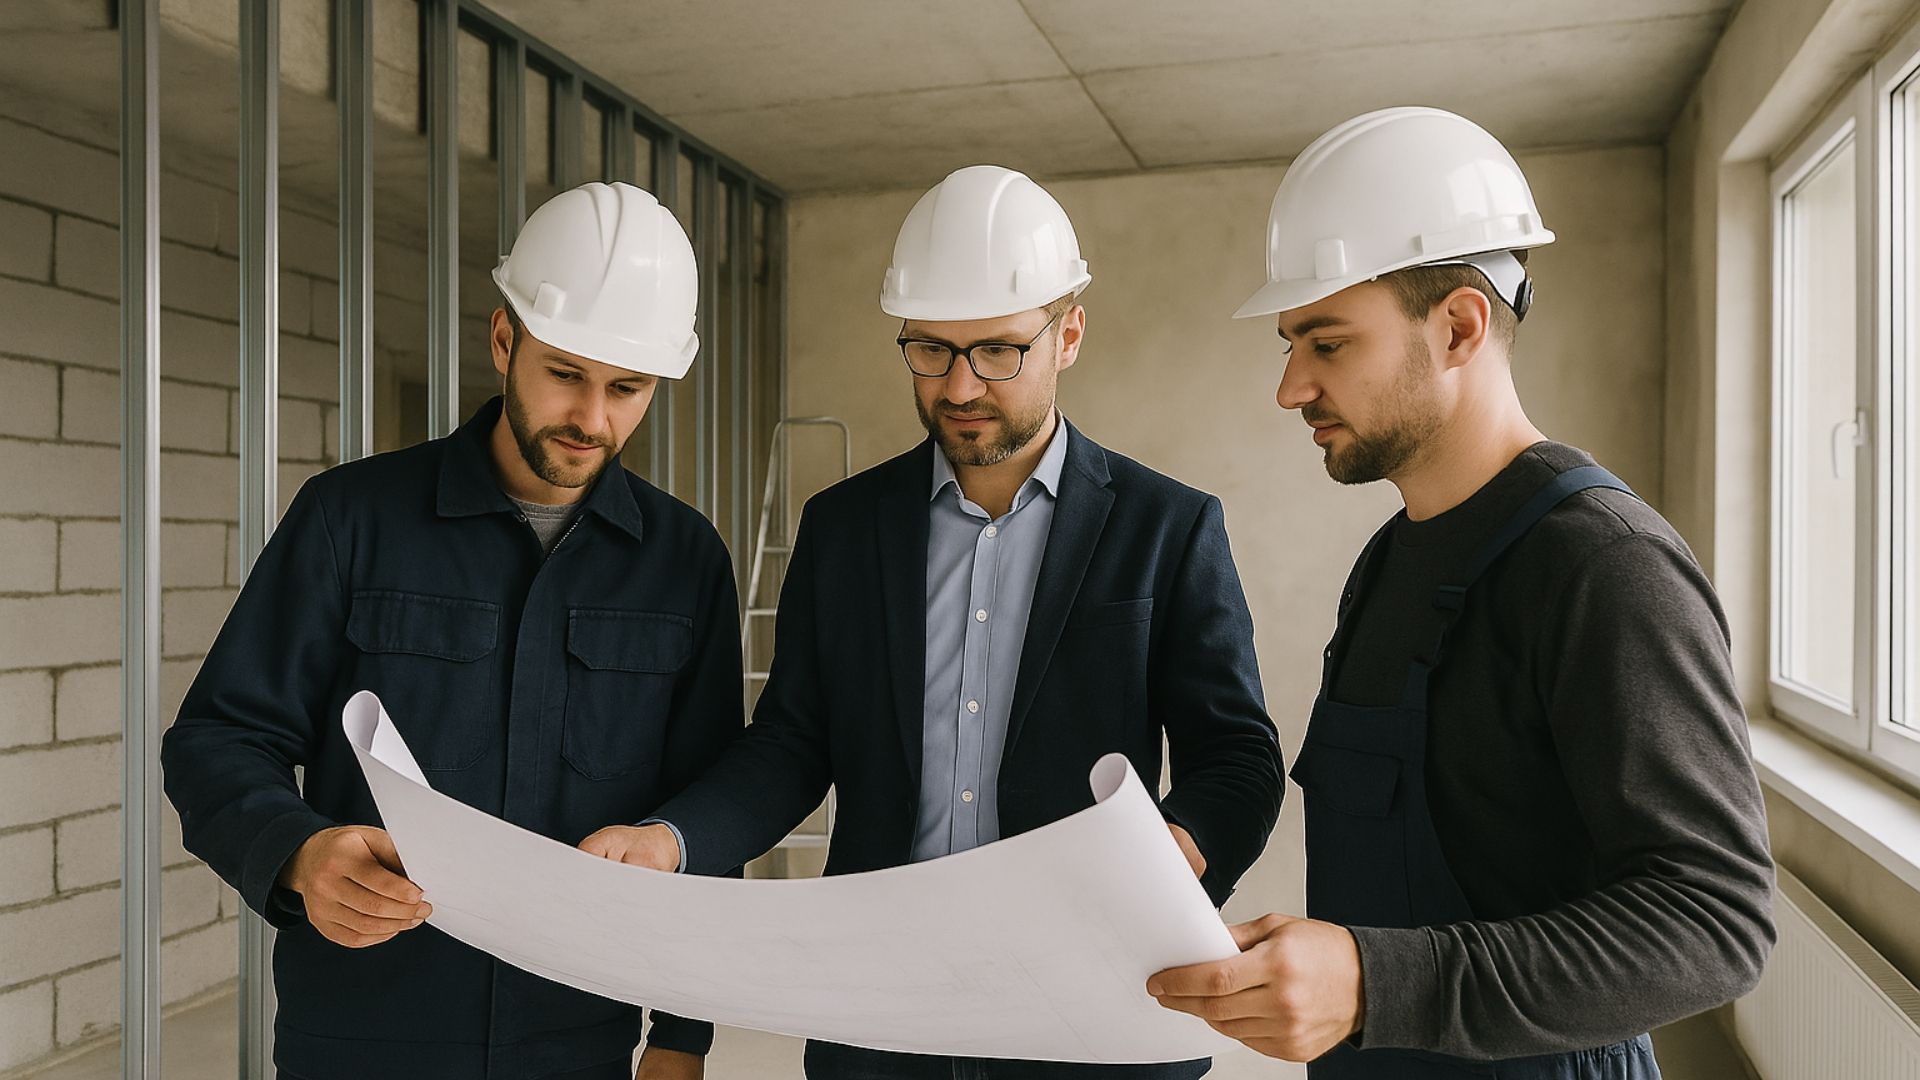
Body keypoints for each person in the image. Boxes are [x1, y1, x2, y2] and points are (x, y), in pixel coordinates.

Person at [578, 164, 1285, 1080]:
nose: (959, 387)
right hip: (881, 1022)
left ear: (1067, 333)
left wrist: (1164, 863)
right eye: (930, 350)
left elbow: (1235, 757)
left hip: (1089, 1017)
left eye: (996, 351)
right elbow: (793, 744)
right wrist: (669, 841)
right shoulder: (842, 529)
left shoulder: (1167, 526)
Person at [1146, 107, 1776, 1079]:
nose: (1289, 387)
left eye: (1326, 343)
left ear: (1458, 327)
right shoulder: (1388, 565)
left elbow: (1717, 920)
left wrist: (1375, 980)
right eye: (1289, 345)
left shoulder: (1603, 567)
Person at [162, 181, 740, 1080]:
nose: (593, 418)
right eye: (566, 373)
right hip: (360, 1030)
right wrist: (298, 852)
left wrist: (680, 1033)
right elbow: (218, 737)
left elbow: (704, 804)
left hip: (579, 1035)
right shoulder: (349, 519)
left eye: (627, 387)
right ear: (504, 340)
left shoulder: (686, 561)